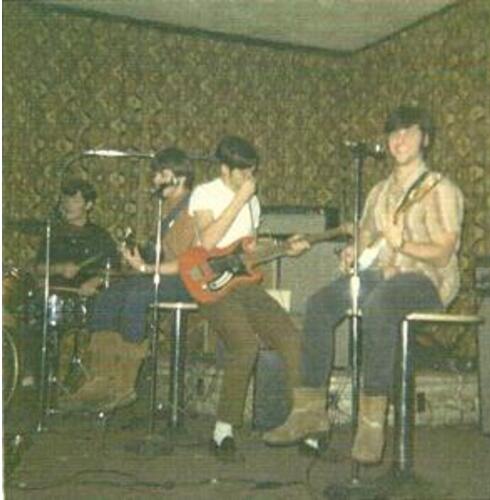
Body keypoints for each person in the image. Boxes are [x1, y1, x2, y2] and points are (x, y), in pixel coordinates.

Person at [267, 105, 464, 463]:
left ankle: (372, 422)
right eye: (393, 133)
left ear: (425, 139)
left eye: (408, 132)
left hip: (426, 280)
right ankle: (309, 411)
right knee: (319, 304)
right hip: (382, 275)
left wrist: (403, 244)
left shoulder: (440, 189)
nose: (399, 139)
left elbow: (443, 254)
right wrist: (352, 251)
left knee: (380, 304)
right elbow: (366, 237)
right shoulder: (379, 191)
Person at [188, 135, 329, 460]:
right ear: (225, 169)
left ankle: (306, 423)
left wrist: (285, 249)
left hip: (244, 284)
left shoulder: (253, 201)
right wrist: (240, 199)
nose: (250, 178)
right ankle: (222, 432)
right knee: (244, 345)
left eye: (252, 171)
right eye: (243, 172)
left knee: (290, 339)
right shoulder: (205, 194)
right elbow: (208, 242)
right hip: (211, 285)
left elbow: (247, 251)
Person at [59, 147, 196, 412]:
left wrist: (144, 266)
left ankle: (124, 383)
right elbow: (163, 253)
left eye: (160, 174)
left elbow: (185, 261)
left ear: (178, 177)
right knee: (109, 295)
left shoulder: (192, 208)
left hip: (187, 279)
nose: (155, 180)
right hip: (164, 275)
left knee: (136, 296)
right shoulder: (167, 207)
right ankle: (101, 378)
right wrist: (138, 254)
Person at [28, 178, 119, 388]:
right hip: (52, 294)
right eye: (65, 199)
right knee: (29, 314)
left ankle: (79, 378)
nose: (68, 204)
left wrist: (94, 282)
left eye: (75, 200)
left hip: (83, 298)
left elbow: (114, 270)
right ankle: (31, 376)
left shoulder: (99, 236)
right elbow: (37, 268)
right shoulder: (53, 233)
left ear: (89, 205)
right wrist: (59, 269)